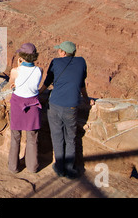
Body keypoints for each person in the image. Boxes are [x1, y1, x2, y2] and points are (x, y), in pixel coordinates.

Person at [39, 41, 94, 179]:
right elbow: (81, 83)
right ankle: (70, 169)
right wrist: (86, 99)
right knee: (70, 138)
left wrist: (39, 92)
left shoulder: (56, 62)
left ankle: (59, 167)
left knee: (57, 136)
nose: (58, 52)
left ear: (63, 52)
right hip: (72, 106)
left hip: (55, 104)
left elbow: (47, 81)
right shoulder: (81, 62)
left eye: (59, 50)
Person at [8, 43, 43, 174]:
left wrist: (19, 65)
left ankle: (13, 167)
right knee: (32, 138)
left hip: (17, 105)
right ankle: (32, 167)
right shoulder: (39, 71)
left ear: (21, 56)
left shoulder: (15, 71)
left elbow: (11, 83)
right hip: (33, 106)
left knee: (15, 136)